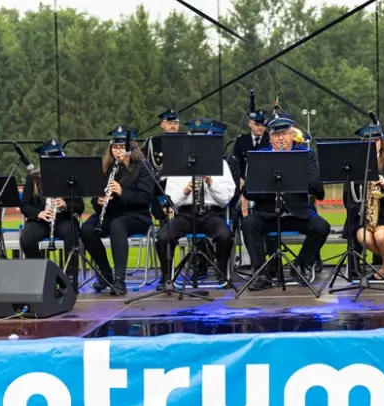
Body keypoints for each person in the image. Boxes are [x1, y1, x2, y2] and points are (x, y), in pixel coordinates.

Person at [242, 113, 330, 291]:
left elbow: (316, 187)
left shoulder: (307, 155)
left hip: (297, 213)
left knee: (322, 226)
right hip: (268, 213)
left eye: (285, 134)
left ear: (292, 135)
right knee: (248, 223)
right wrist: (268, 187)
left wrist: (291, 179)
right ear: (270, 136)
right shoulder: (259, 157)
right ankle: (261, 273)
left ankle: (301, 265)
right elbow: (248, 191)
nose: (281, 138)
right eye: (276, 134)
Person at [155, 118, 236, 288]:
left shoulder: (221, 163)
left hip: (211, 214)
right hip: (186, 214)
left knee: (225, 235)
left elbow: (226, 199)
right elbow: (171, 200)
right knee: (163, 236)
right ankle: (167, 278)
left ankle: (222, 274)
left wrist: (211, 183)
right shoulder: (177, 163)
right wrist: (185, 191)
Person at [80, 126, 155, 295]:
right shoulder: (106, 168)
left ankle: (120, 280)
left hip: (136, 216)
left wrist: (122, 192)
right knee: (86, 229)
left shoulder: (142, 167)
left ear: (130, 148)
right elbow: (94, 198)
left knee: (118, 225)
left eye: (121, 147)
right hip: (111, 214)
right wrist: (99, 201)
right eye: (114, 147)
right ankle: (106, 273)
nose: (117, 151)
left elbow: (145, 199)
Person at [18, 139, 84, 287]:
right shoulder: (33, 178)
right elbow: (25, 206)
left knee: (71, 234)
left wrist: (65, 204)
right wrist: (39, 214)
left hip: (63, 219)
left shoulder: (71, 178)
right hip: (40, 220)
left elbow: (79, 206)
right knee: (26, 239)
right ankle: (41, 276)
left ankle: (70, 278)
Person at [343, 124, 384, 279]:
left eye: (376, 140)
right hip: (364, 212)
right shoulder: (353, 165)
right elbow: (347, 195)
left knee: (380, 237)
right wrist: (359, 209)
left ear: (381, 142)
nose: (372, 144)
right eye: (367, 141)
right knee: (365, 238)